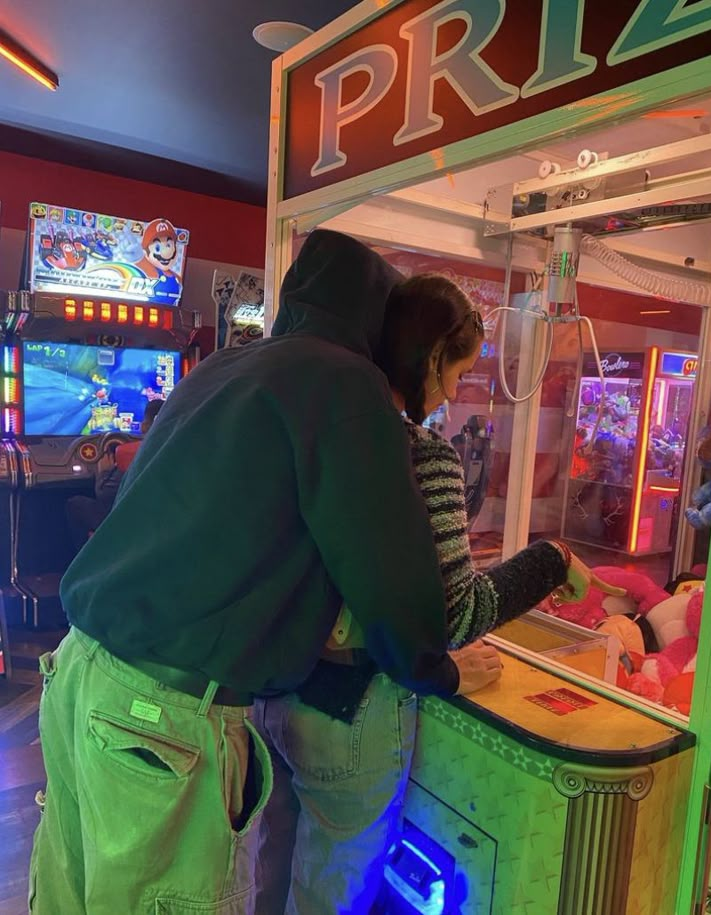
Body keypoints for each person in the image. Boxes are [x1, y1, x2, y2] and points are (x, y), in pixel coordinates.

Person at [28, 231, 500, 915]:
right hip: (162, 715)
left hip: (76, 675)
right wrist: (437, 666)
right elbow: (395, 589)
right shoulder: (347, 387)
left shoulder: (231, 365)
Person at [253, 273, 624, 915]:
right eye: (458, 370)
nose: (455, 390)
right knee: (329, 892)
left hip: (276, 690)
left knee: (274, 866)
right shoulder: (422, 454)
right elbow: (459, 613)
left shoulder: (311, 432)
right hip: (355, 710)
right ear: (430, 359)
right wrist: (551, 560)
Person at [65, 399, 164, 552]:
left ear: (146, 425)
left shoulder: (131, 452)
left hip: (129, 522)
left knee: (75, 504)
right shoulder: (177, 448)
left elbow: (105, 494)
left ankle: (83, 565)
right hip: (161, 520)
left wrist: (103, 471)